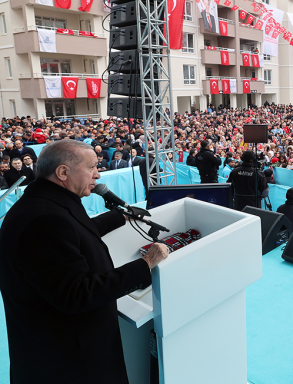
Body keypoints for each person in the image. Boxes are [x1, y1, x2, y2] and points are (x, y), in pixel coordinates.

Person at [0, 139, 169, 383]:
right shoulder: (45, 221)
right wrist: (146, 263)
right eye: (91, 167)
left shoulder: (44, 203)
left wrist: (118, 217)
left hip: (53, 354)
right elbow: (77, 294)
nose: (98, 174)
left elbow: (74, 233)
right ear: (63, 172)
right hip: (68, 364)